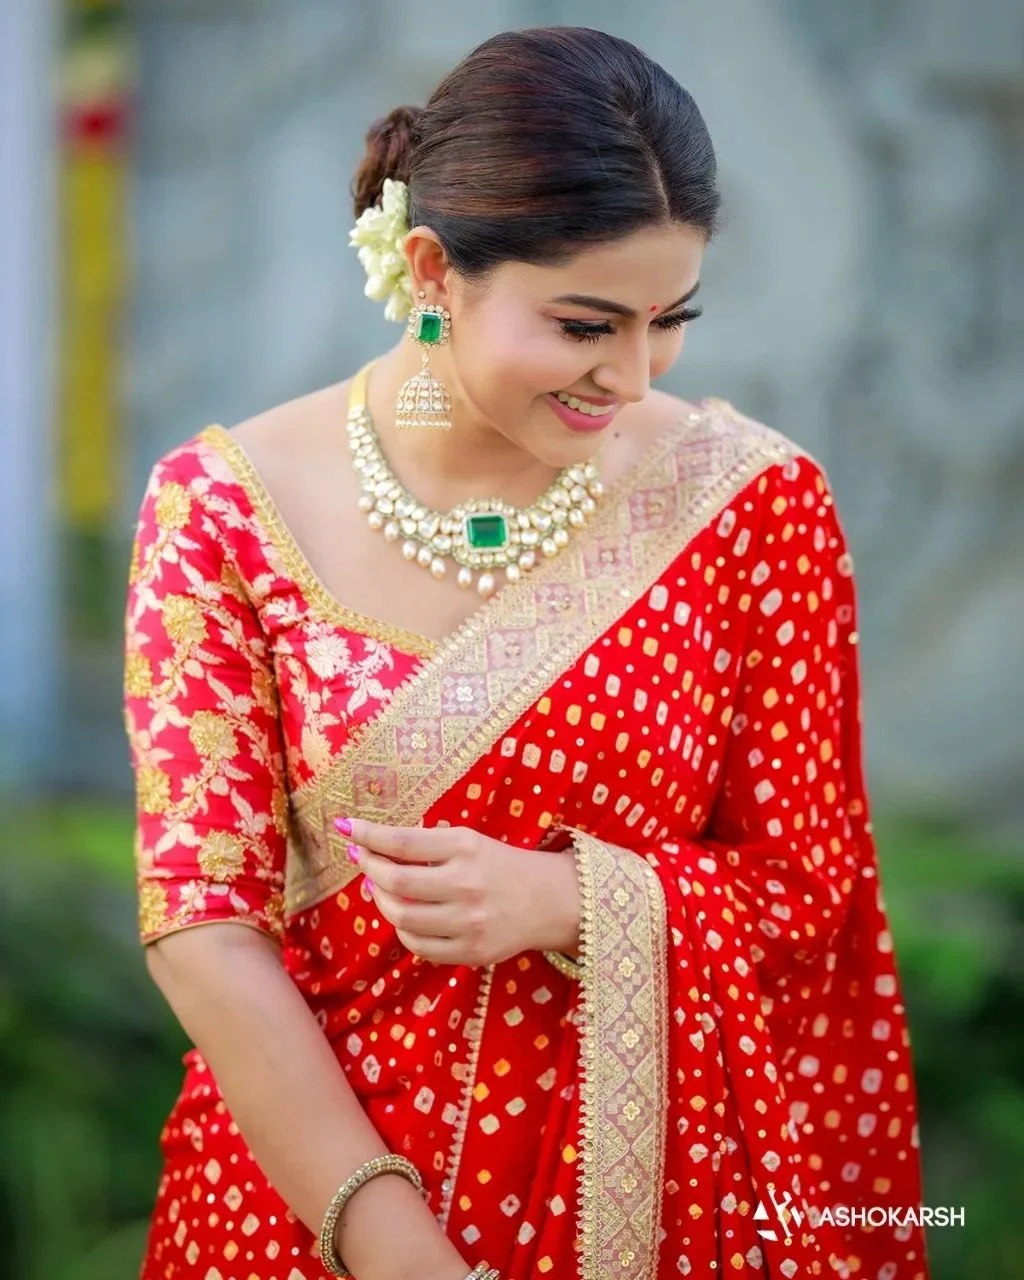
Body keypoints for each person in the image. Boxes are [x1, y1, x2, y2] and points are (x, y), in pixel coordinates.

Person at [123, 25, 928, 1280]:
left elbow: (807, 885)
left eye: (668, 319)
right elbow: (203, 918)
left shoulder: (748, 506)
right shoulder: (224, 509)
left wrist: (568, 898)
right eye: (582, 322)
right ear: (436, 268)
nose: (630, 370)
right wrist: (394, 1246)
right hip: (303, 1206)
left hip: (662, 1201)